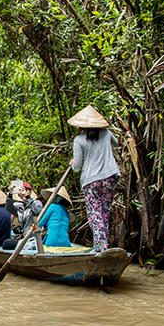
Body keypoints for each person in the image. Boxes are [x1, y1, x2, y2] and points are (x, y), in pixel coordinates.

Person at [68, 105, 121, 252]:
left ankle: (100, 247)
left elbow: (77, 167)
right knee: (104, 212)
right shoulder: (106, 134)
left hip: (91, 181)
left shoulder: (79, 140)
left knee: (95, 214)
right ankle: (103, 245)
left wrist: (72, 163)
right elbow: (117, 145)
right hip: (110, 177)